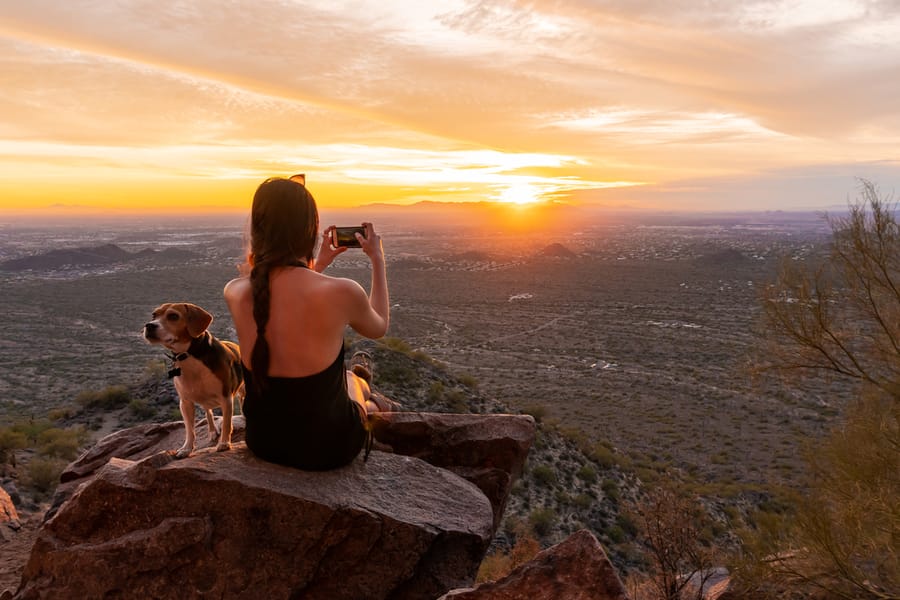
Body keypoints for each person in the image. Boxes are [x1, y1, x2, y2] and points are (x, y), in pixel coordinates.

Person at [223, 176, 389, 470]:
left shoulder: (235, 291)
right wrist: (378, 260)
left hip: (264, 443)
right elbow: (378, 326)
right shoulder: (342, 291)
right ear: (310, 230)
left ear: (258, 230)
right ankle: (372, 404)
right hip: (327, 449)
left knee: (347, 380)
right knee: (354, 381)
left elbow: (282, 298)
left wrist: (317, 265)